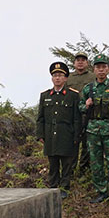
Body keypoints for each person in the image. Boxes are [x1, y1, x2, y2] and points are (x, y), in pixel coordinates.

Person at [79, 54, 109, 210]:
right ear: (94, 69)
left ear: (108, 69)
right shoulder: (88, 88)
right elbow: (80, 107)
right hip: (93, 131)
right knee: (96, 163)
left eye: (103, 67)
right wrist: (86, 105)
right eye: (98, 67)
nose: (100, 70)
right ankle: (102, 191)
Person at [36, 61, 82, 198]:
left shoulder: (73, 95)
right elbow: (40, 118)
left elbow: (77, 118)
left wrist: (76, 136)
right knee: (53, 163)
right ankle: (53, 187)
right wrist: (40, 135)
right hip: (51, 135)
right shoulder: (45, 95)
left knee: (67, 164)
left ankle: (64, 188)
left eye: (60, 75)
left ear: (66, 78)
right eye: (55, 75)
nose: (57, 78)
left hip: (66, 134)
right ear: (52, 78)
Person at [66, 52, 96, 174]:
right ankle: (71, 171)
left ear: (87, 63)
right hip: (72, 115)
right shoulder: (68, 77)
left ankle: (84, 170)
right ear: (74, 63)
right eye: (78, 60)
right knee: (72, 143)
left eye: (83, 60)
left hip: (88, 114)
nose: (80, 62)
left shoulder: (93, 77)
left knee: (86, 144)